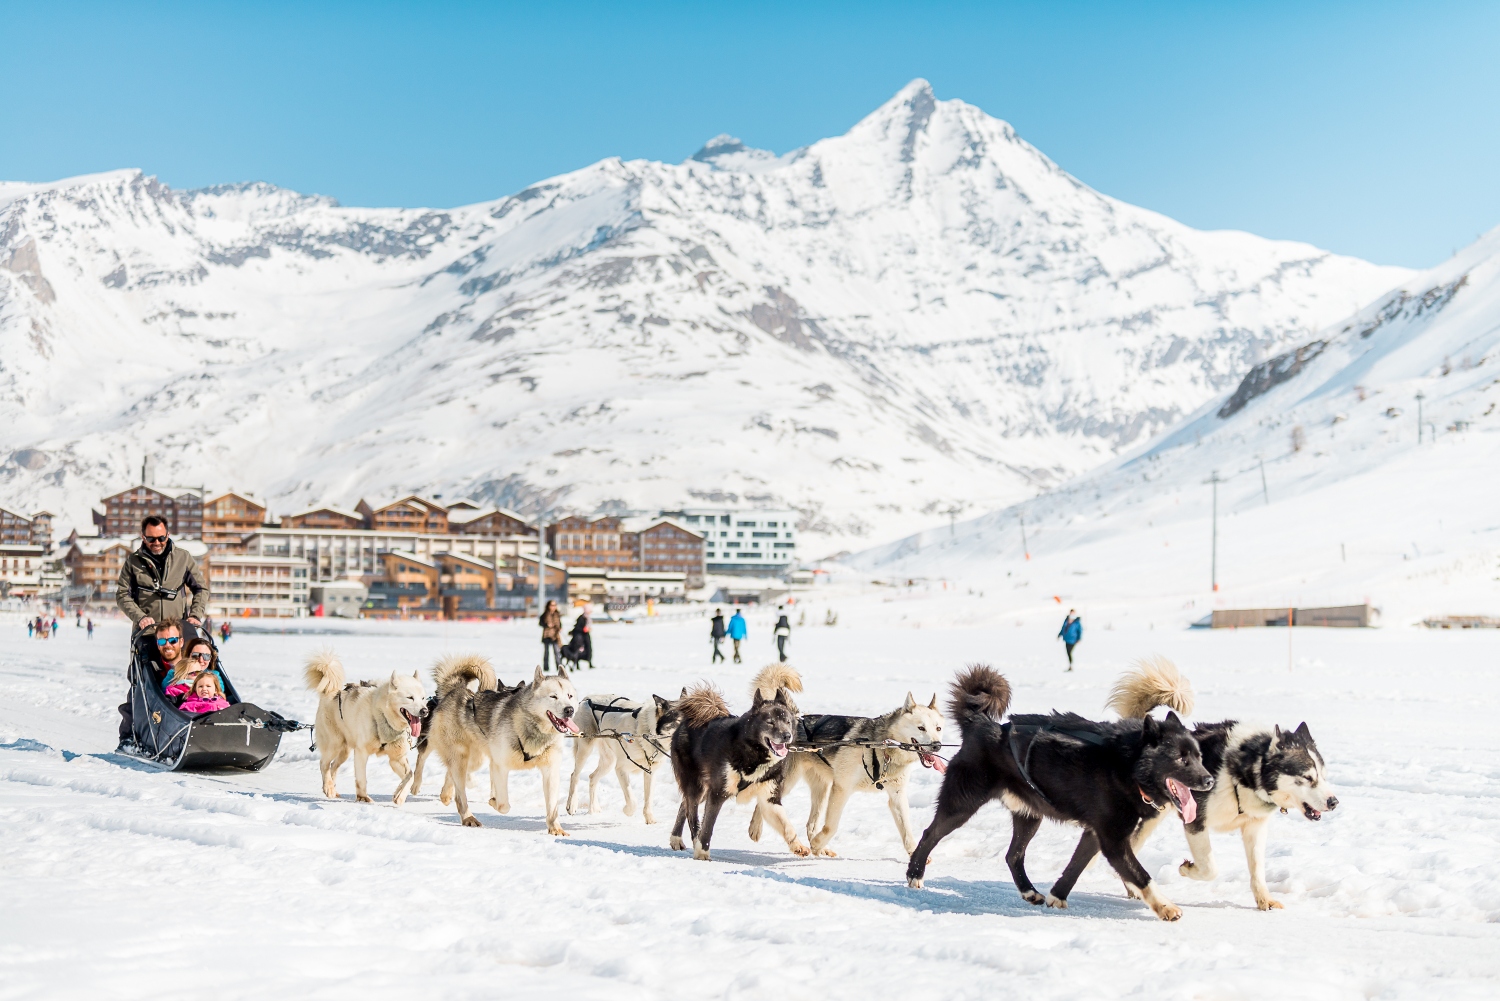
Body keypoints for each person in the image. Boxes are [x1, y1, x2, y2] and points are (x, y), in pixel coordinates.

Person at [114, 517, 210, 753]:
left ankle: (197, 723)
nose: (156, 543)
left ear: (167, 535)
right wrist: (139, 616)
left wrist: (195, 615)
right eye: (150, 538)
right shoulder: (133, 561)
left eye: (161, 538)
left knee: (188, 678)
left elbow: (201, 588)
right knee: (140, 683)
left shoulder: (183, 557)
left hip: (179, 634)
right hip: (146, 634)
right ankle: (129, 736)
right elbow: (122, 595)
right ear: (142, 536)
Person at [539, 599, 562, 673]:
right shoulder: (545, 614)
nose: (553, 607)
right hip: (547, 634)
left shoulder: (557, 614)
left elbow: (559, 623)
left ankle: (559, 667)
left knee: (557, 652)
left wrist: (560, 628)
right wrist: (547, 625)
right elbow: (541, 623)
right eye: (552, 605)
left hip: (555, 635)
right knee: (546, 653)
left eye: (554, 605)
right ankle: (546, 668)